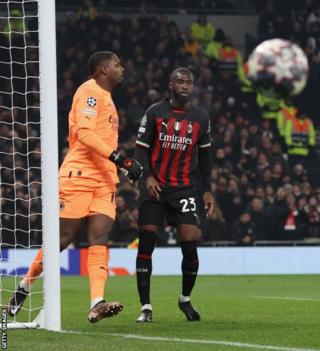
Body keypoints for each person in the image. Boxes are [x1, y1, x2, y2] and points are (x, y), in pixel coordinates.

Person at [8, 51, 143, 323]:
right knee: (63, 239)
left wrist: (122, 166)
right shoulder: (90, 91)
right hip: (79, 175)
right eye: (117, 63)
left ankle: (96, 303)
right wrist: (119, 158)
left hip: (105, 179)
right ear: (103, 70)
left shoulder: (108, 99)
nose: (122, 67)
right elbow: (84, 133)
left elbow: (103, 140)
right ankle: (23, 289)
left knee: (99, 239)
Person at [134, 67, 215, 323]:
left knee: (190, 247)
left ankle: (185, 299)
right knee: (147, 244)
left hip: (185, 188)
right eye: (180, 81)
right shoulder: (155, 112)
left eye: (189, 82)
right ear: (171, 85)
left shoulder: (201, 117)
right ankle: (146, 306)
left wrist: (207, 190)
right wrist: (147, 176)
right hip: (156, 187)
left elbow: (205, 158)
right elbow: (141, 149)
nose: (185, 85)